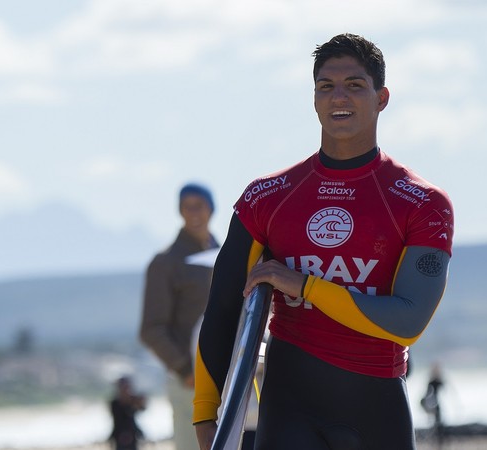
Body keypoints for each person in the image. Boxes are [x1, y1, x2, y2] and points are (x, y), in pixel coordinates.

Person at [193, 33, 454, 450]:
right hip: (288, 411)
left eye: (354, 85)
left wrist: (304, 285)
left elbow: (408, 322)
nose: (338, 98)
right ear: (314, 99)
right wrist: (208, 412)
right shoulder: (268, 197)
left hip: (376, 412)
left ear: (381, 98)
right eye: (325, 87)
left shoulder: (421, 201)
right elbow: (223, 306)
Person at [140, 182, 219, 450]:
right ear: (180, 211)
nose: (194, 213)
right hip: (189, 382)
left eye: (200, 206)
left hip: (226, 377)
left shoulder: (224, 253)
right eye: (188, 207)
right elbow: (151, 329)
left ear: (211, 209)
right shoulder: (166, 262)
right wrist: (186, 370)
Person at [109, 376, 147, 450]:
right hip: (120, 436)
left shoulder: (131, 401)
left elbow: (142, 408)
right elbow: (119, 420)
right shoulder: (116, 403)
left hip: (131, 435)